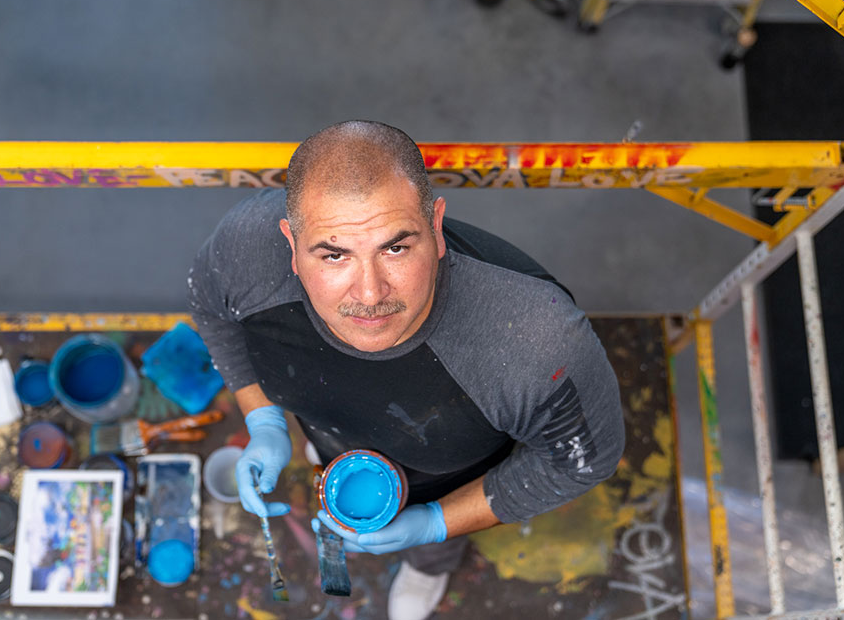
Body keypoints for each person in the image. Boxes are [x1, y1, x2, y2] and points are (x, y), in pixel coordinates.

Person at [189, 120, 625, 620]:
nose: (371, 294)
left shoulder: (535, 339)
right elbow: (209, 307)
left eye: (395, 248)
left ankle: (430, 566)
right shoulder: (248, 249)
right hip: (327, 438)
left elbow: (581, 461)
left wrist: (436, 524)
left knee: (433, 550)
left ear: (436, 227)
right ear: (290, 244)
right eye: (334, 255)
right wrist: (263, 418)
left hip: (446, 481)